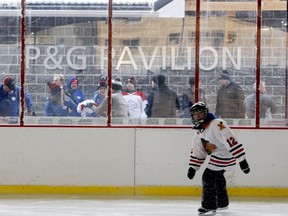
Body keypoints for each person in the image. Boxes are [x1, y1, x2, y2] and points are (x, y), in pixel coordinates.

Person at [187, 102, 250, 215]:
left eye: (200, 113)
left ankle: (209, 205)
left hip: (226, 155)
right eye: (196, 115)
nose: (198, 116)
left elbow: (230, 139)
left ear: (206, 113)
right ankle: (222, 203)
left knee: (208, 176)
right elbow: (198, 150)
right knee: (217, 176)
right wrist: (193, 167)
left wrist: (242, 160)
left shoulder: (217, 124)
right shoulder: (199, 132)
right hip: (217, 156)